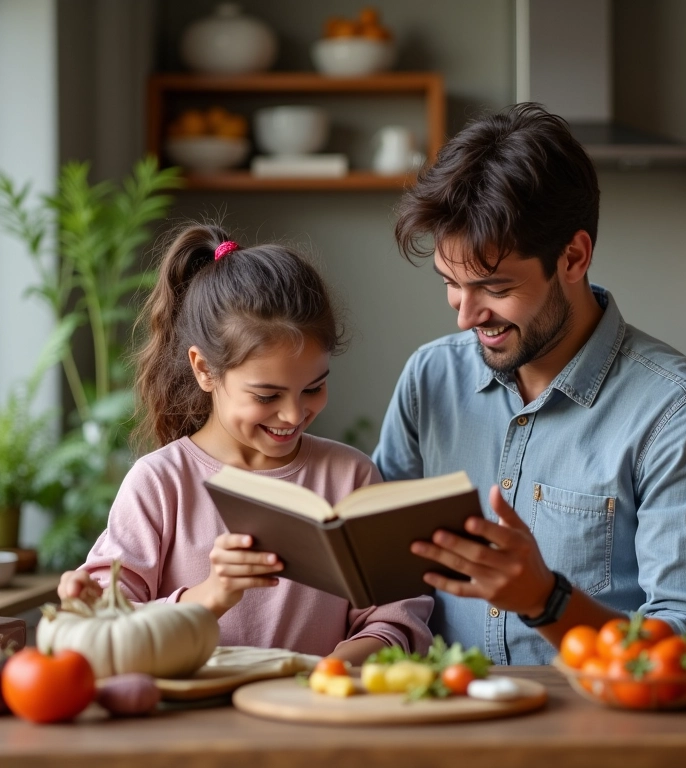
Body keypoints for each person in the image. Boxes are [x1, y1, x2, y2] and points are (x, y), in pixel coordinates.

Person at [373, 103, 686, 666]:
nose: (465, 315)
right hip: (444, 721)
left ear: (573, 257)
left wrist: (545, 601)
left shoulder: (680, 413)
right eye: (451, 283)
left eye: (494, 288)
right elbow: (385, 566)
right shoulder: (431, 377)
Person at [58, 223, 432, 664]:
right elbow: (108, 625)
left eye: (313, 387)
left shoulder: (352, 476)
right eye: (267, 396)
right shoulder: (160, 483)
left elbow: (396, 621)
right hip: (189, 727)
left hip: (314, 719)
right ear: (204, 370)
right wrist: (211, 595)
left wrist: (331, 673)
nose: (294, 415)